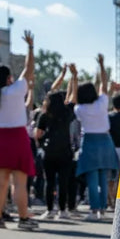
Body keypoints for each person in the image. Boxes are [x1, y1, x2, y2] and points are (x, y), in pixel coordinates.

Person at [0, 29, 37, 230]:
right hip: (17, 137)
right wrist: (30, 47)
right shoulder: (16, 90)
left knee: (0, 181)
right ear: (8, 78)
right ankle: (23, 219)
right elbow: (28, 70)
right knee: (19, 182)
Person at [68, 55, 120, 222]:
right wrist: (101, 65)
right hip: (106, 141)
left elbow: (74, 98)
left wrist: (74, 77)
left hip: (90, 141)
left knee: (92, 178)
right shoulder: (102, 103)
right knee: (103, 178)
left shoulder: (80, 109)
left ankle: (94, 209)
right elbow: (103, 86)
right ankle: (104, 209)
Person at [34, 66, 75, 219]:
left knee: (49, 182)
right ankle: (63, 211)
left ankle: (50, 209)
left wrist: (42, 141)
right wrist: (73, 79)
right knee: (63, 182)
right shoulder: (67, 113)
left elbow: (37, 134)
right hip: (65, 151)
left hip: (49, 152)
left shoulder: (45, 115)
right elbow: (72, 98)